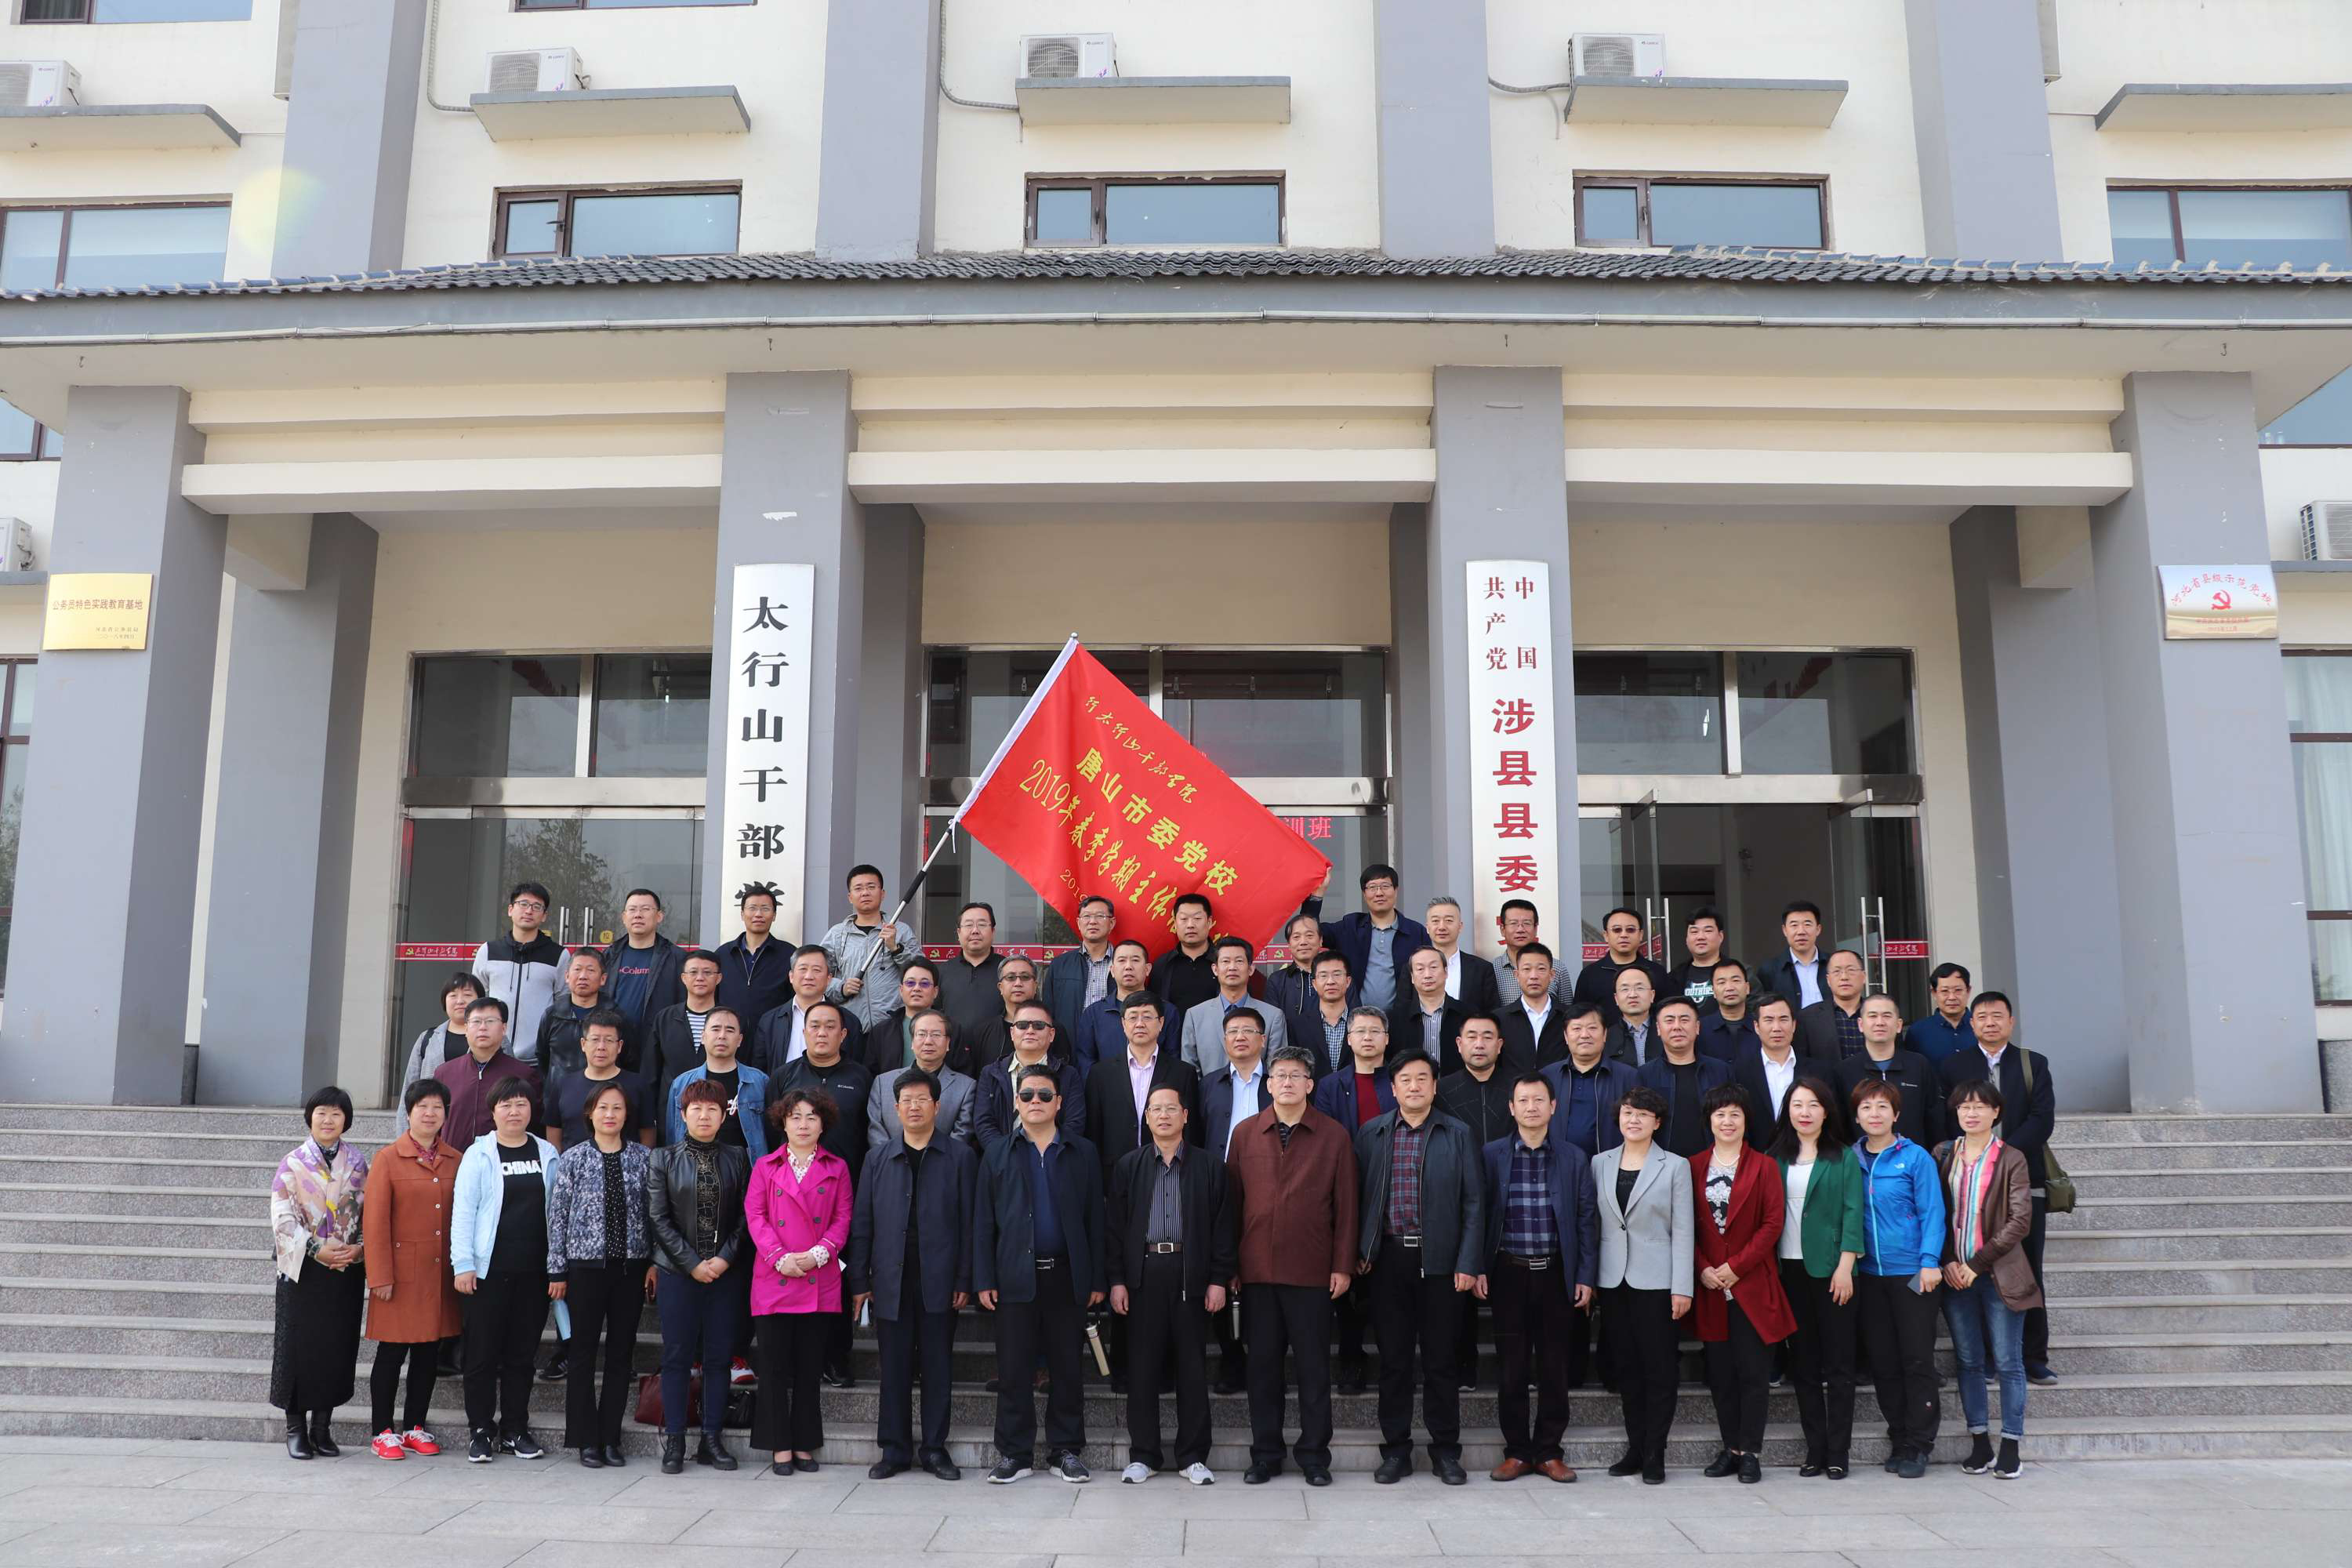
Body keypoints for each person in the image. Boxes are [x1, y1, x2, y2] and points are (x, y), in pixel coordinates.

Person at [1227, 1047, 1357, 1486]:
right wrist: (1230, 1265)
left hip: (1313, 1273)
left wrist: (1342, 1265)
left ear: (1310, 1085)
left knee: (1314, 1368)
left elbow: (1346, 1208)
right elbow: (1233, 1205)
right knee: (1262, 1369)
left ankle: (1314, 1455)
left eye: (1296, 1076)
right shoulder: (1245, 1134)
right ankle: (1265, 1453)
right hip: (1257, 1273)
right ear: (1268, 1084)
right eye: (1279, 1075)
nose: (1286, 1083)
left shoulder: (1334, 1136)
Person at [1352, 1053, 1483, 1485]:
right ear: (1393, 1088)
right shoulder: (1372, 1133)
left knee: (1442, 1362)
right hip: (1388, 1260)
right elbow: (1358, 1198)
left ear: (1433, 1087)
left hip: (1442, 1263)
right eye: (1404, 1080)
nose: (1413, 1087)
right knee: (1394, 1362)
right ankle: (1396, 1451)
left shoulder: (1458, 1133)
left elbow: (1474, 1203)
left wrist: (1467, 1261)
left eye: (1421, 1079)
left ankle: (1446, 1451)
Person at [975, 1063, 1106, 1483]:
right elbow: (983, 1222)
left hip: (1067, 1278)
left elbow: (1094, 1221)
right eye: (1028, 1095)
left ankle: (1065, 1450)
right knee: (1013, 1369)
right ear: (1016, 1102)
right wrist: (984, 1278)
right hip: (1014, 1276)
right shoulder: (997, 1152)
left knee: (1068, 1369)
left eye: (1045, 1095)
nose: (1036, 1102)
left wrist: (1097, 1279)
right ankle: (1014, 1454)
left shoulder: (1082, 1152)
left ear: (1059, 1103)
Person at [848, 1069, 977, 1481]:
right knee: (895, 1368)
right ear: (896, 1107)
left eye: (924, 1099)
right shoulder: (877, 1158)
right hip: (891, 1277)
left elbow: (970, 1223)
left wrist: (964, 1279)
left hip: (940, 1278)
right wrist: (860, 1282)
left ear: (937, 1107)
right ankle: (895, 1450)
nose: (916, 1106)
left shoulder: (959, 1157)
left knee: (938, 1368)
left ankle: (936, 1449)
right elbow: (862, 1223)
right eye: (908, 1100)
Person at [1109, 1083, 1234, 1485]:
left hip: (1190, 1271)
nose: (1163, 1115)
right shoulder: (1130, 1165)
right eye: (1155, 1109)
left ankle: (1192, 1455)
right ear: (1146, 1118)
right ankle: (1143, 1454)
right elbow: (1115, 1230)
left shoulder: (1210, 1166)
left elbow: (1222, 1228)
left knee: (1192, 1368)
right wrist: (1117, 1281)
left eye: (1171, 1109)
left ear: (1185, 1116)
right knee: (1142, 1367)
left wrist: (1218, 1279)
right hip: (1144, 1272)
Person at [1477, 1072, 1598, 1483]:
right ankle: (1517, 1452)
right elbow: (1479, 1216)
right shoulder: (1491, 1155)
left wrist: (1585, 1274)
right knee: (1510, 1368)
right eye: (1523, 1101)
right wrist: (1478, 1266)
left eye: (1538, 1100)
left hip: (1556, 1274)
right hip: (1508, 1273)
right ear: (1511, 1108)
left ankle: (1548, 1451)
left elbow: (1585, 1220)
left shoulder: (1573, 1157)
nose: (1531, 1107)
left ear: (1553, 1107)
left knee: (1554, 1367)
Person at [1939, 991, 2058, 1387]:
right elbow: (1949, 1119)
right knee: (1979, 1267)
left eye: (1998, 1016)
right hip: (1970, 1181)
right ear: (1971, 1024)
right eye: (1982, 1017)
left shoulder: (2032, 1063)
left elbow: (2042, 1120)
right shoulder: (1955, 1064)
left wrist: (2004, 1156)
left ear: (2011, 1021)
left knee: (2027, 1268)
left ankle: (2034, 1356)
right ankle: (1988, 1356)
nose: (1990, 1022)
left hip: (2023, 1179)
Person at [451, 1077, 560, 1463]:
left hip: (534, 1274)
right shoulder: (479, 1155)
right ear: (493, 1111)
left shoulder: (547, 1153)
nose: (514, 1111)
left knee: (521, 1355)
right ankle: (480, 1429)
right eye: (506, 1105)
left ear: (532, 1110)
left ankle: (515, 1428)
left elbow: (557, 1215)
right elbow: (463, 1212)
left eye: (521, 1104)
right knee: (481, 1354)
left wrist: (557, 1268)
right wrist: (463, 1264)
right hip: (487, 1273)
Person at [544, 1080, 653, 1467]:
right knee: (582, 1354)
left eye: (618, 1108)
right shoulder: (572, 1158)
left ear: (627, 1116)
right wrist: (556, 1269)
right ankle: (585, 1439)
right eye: (603, 1108)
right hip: (583, 1270)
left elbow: (653, 1215)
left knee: (621, 1356)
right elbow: (556, 1218)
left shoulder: (642, 1158)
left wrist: (653, 1262)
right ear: (590, 1113)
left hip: (630, 1268)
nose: (610, 1114)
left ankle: (611, 1438)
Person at [768, 1000, 875, 1389]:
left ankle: (836, 1357)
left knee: (839, 1278)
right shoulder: (783, 1075)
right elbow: (771, 1135)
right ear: (804, 1031)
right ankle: (794, 1359)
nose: (822, 1033)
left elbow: (868, 1132)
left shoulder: (861, 1076)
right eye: (815, 1026)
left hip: (844, 1191)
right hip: (791, 1195)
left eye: (831, 1026)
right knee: (794, 1273)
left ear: (844, 1034)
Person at [647, 1079, 752, 1474]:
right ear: (683, 1114)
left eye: (713, 1109)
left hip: (726, 1274)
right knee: (676, 1357)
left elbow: (746, 1217)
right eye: (697, 1109)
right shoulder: (663, 1158)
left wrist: (723, 1259)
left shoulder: (739, 1157)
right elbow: (658, 1219)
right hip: (678, 1273)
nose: (704, 1116)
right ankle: (675, 1441)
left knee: (718, 1357)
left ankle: (712, 1439)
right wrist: (692, 1263)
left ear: (724, 1114)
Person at [747, 1088, 854, 1476]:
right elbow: (755, 1216)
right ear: (783, 1122)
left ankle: (806, 1444)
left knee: (810, 1370)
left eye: (811, 1117)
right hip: (774, 1279)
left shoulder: (837, 1167)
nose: (803, 1124)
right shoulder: (766, 1167)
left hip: (819, 1277)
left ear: (823, 1123)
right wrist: (780, 1258)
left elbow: (843, 1218)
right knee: (774, 1369)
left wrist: (818, 1254)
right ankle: (779, 1447)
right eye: (795, 1116)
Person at [1691, 1083, 1794, 1485]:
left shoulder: (1764, 1166)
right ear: (1709, 1121)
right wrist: (1702, 1268)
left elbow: (1772, 1224)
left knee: (1753, 1374)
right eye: (1720, 1114)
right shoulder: (1694, 1165)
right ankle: (1729, 1447)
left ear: (1746, 1120)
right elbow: (1687, 1227)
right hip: (1710, 1287)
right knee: (1721, 1374)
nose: (1728, 1121)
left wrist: (1736, 1266)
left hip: (1751, 1284)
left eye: (1735, 1114)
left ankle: (1750, 1450)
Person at [1936, 1079, 2039, 1479]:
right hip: (1954, 1273)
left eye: (1981, 1106)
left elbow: (2019, 1222)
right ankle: (1980, 1442)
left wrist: (1975, 1264)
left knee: (2009, 1361)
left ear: (1996, 1113)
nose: (1972, 1112)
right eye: (1964, 1106)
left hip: (1995, 1273)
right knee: (1968, 1361)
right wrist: (1946, 1261)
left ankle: (2011, 1443)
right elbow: (1934, 1213)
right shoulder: (1943, 1153)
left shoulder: (2011, 1157)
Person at [1592, 1088, 1693, 1486]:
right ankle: (1635, 1447)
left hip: (1658, 1281)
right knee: (1627, 1369)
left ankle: (1656, 1451)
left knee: (1659, 1369)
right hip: (1613, 1280)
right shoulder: (1600, 1163)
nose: (1633, 1120)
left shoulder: (1674, 1166)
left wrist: (1682, 1287)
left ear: (1658, 1122)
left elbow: (1684, 1230)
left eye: (1643, 1114)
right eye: (1628, 1113)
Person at [361, 1080, 463, 1461]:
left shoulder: (456, 1158)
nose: (430, 1113)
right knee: (392, 1353)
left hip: (439, 1275)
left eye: (437, 1107)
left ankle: (415, 1426)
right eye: (422, 1107)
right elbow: (374, 1223)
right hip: (400, 1275)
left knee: (428, 1354)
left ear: (446, 1115)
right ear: (408, 1112)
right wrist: (380, 1276)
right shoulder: (389, 1158)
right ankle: (383, 1431)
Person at [1849, 1077, 1946, 1479]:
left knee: (1917, 1360)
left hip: (1911, 1273)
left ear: (1896, 1114)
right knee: (1884, 1363)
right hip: (1869, 1274)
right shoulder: (1849, 1158)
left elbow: (1934, 1212)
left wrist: (1929, 1261)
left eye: (1882, 1107)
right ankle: (1900, 1436)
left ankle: (1920, 1444)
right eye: (1867, 1108)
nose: (1875, 1114)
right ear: (1856, 1116)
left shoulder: (1915, 1157)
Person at [1769, 1076, 1865, 1479]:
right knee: (1804, 1365)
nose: (1804, 1113)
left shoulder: (1841, 1157)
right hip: (1787, 1271)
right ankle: (1815, 1449)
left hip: (1831, 1271)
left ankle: (1839, 1452)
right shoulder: (1773, 1157)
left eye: (1812, 1105)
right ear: (1787, 1112)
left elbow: (1852, 1212)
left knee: (1840, 1365)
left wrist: (1846, 1267)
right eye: (1796, 1105)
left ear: (1826, 1111)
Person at [270, 1085, 369, 1461]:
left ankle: (322, 1428)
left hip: (344, 1267)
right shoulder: (292, 1163)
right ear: (310, 1117)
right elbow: (282, 1217)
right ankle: (295, 1428)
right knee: (297, 1349)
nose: (328, 1120)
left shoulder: (359, 1164)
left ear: (346, 1120)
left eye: (336, 1114)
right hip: (303, 1270)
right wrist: (316, 1249)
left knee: (335, 1348)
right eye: (322, 1113)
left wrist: (357, 1249)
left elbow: (367, 1214)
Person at [1199, 1007, 1272, 1396]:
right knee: (1220, 1271)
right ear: (1223, 1042)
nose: (1240, 1037)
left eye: (1249, 1031)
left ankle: (1262, 1358)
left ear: (1263, 1039)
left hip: (1267, 1191)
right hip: (1218, 1189)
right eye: (1232, 1032)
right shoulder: (1208, 1085)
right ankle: (1231, 1358)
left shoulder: (1277, 1082)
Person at [1085, 992, 1203, 1187]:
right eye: (1133, 1017)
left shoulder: (1183, 1073)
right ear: (1123, 1024)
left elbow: (1191, 1130)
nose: (1140, 1023)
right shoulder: (1100, 1073)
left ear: (1161, 1023)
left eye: (1148, 1017)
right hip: (1115, 1177)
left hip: (1170, 1174)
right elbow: (1094, 1131)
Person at [1305, 862, 1432, 1013]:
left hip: (1403, 1021)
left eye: (1385, 886)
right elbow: (1309, 931)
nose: (1379, 893)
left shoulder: (1416, 933)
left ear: (1396, 890)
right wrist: (1317, 894)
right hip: (1355, 1021)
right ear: (1364, 894)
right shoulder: (1350, 927)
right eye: (1372, 888)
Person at [1835, 993, 1947, 1150]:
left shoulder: (1919, 1065)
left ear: (1899, 1025)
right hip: (1861, 1166)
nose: (1880, 1022)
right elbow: (1840, 1125)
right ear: (1860, 1024)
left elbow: (1934, 1120)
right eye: (1872, 1016)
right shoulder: (1845, 1071)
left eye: (1887, 1016)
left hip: (1912, 1165)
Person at [472, 882, 567, 1065]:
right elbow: (477, 1000)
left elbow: (563, 1003)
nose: (529, 911)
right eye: (523, 904)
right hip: (492, 1056)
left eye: (536, 906)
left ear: (544, 915)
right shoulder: (489, 951)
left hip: (539, 1060)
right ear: (510, 909)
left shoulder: (558, 955)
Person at [973, 1000, 1087, 1151]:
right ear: (1012, 1033)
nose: (1030, 1031)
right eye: (1022, 1025)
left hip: (1054, 1161)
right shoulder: (991, 1073)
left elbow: (1075, 1123)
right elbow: (984, 1123)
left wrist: (1047, 1156)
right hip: (1003, 1164)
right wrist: (1004, 1156)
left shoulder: (1068, 1075)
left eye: (1039, 1026)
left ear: (1051, 1034)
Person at [437, 996, 543, 1149]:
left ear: (504, 1028)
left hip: (503, 1163)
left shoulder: (524, 1074)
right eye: (476, 1021)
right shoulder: (445, 1073)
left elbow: (535, 1127)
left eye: (490, 1021)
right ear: (466, 1029)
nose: (482, 1027)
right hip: (453, 1163)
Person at [665, 1008, 771, 1158]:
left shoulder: (760, 1082)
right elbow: (672, 1136)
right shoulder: (682, 1084)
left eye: (730, 1030)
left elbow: (771, 1134)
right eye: (715, 1029)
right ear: (703, 1037)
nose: (722, 1036)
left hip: (749, 1173)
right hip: (696, 1173)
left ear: (740, 1040)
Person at [1635, 998, 1734, 1159]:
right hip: (1662, 1167)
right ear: (1659, 1029)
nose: (1677, 1027)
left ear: (1697, 1027)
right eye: (1669, 1020)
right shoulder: (1645, 1075)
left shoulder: (1721, 1071)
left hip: (1713, 1164)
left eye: (1684, 1020)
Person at [822, 866, 917, 1030]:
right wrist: (841, 988)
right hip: (850, 1026)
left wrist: (896, 949)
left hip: (892, 1026)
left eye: (871, 887)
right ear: (850, 897)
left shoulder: (900, 930)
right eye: (858, 888)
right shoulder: (836, 934)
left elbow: (919, 972)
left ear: (882, 893)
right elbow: (821, 977)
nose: (865, 893)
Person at [1179, 935, 1290, 1075]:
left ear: (1250, 969)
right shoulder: (1195, 1016)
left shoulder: (1273, 1016)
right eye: (1225, 961)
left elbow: (1276, 1069)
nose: (1232, 967)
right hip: (1210, 1096)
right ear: (1215, 969)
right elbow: (1190, 1070)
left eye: (1239, 961)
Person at [750, 945, 867, 1076]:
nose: (809, 976)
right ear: (791, 976)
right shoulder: (770, 1022)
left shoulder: (848, 1021)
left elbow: (856, 1071)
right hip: (783, 1094)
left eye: (817, 970)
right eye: (803, 969)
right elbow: (759, 1073)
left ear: (829, 979)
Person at [543, 1009, 652, 1149]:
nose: (601, 1047)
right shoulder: (563, 1084)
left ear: (619, 1046)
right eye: (595, 1040)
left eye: (609, 1040)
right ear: (583, 1044)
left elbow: (648, 1134)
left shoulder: (638, 1085)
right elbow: (554, 1132)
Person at [868, 1009, 976, 1148]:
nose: (928, 1041)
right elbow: (876, 1130)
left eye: (936, 1035)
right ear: (912, 1042)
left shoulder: (966, 1087)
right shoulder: (883, 1083)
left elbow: (962, 1134)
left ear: (948, 1043)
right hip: (890, 1165)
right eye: (922, 1034)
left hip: (944, 1166)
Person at [1541, 1003, 1636, 1161]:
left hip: (1612, 1167)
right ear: (1566, 1036)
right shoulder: (1547, 1077)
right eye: (1577, 1029)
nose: (1584, 1035)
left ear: (1605, 1034)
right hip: (1558, 1166)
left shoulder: (1628, 1077)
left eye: (1592, 1028)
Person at [603, 888, 687, 1065]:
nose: (638, 915)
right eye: (632, 910)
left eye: (646, 909)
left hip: (658, 1047)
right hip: (613, 1048)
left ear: (659, 916)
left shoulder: (677, 958)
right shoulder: (609, 956)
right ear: (624, 917)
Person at [1076, 938, 1174, 1078]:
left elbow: (1173, 1058)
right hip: (1107, 1094)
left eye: (1135, 960)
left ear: (1147, 969)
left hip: (1155, 1095)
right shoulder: (1094, 1014)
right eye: (1122, 960)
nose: (1128, 966)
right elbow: (1086, 1062)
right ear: (1112, 970)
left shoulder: (1166, 1011)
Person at [865, 961, 975, 1080]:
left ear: (935, 992)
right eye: (910, 983)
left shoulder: (952, 1029)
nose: (916, 988)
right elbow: (870, 1075)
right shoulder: (882, 1031)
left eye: (924, 984)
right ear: (901, 990)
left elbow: (963, 1076)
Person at [647, 950, 725, 1114]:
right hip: (672, 1109)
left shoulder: (729, 1020)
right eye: (693, 972)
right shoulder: (665, 1018)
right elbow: (651, 1073)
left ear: (718, 978)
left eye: (707, 972)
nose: (700, 978)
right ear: (683, 978)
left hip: (716, 1110)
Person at [1571, 907, 1668, 1029]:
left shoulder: (1657, 972)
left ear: (1641, 935)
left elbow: (1668, 1014)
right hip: (1605, 1046)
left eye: (1630, 930)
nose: (1624, 935)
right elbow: (1579, 1018)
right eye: (1617, 930)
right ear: (1606, 935)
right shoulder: (1589, 975)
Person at [1042, 893, 1118, 1048]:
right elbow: (1048, 1013)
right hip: (1069, 1046)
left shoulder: (1124, 963)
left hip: (1113, 1045)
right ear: (1078, 923)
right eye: (1087, 916)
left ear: (1112, 923)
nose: (1092, 922)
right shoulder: (1059, 965)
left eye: (1100, 916)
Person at [717, 882, 794, 1030]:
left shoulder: (789, 954)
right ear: (742, 914)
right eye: (752, 908)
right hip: (729, 1037)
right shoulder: (724, 954)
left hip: (773, 1036)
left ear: (774, 915)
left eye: (765, 909)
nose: (758, 914)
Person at [1733, 995, 1805, 1151]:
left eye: (1783, 1019)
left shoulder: (1819, 1072)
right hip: (1757, 1160)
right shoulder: (1738, 1072)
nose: (1777, 1027)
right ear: (1757, 1027)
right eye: (1769, 1020)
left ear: (1794, 1025)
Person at [1389, 945, 1473, 1076]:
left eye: (1434, 967)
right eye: (1420, 969)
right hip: (1412, 1093)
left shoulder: (1468, 1015)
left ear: (1446, 972)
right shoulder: (1395, 1019)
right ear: (1412, 977)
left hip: (1456, 1092)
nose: (1427, 975)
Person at [535, 948, 612, 1087]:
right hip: (559, 1097)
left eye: (590, 970)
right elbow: (543, 1057)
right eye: (577, 969)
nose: (583, 976)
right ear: (567, 977)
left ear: (603, 979)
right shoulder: (552, 1015)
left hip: (602, 1098)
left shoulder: (615, 1017)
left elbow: (627, 1060)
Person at [1437, 1013, 1516, 1149]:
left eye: (1487, 1037)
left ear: (1499, 1045)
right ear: (1459, 1044)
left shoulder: (1517, 1088)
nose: (1479, 1045)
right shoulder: (1441, 1091)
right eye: (1472, 1037)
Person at [936, 901, 1007, 1044]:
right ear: (958, 932)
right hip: (952, 1053)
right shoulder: (942, 971)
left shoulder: (1008, 970)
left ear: (993, 931)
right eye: (968, 925)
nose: (975, 931)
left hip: (998, 1054)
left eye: (982, 925)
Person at [402, 971, 485, 1091]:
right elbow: (410, 1083)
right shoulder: (427, 1038)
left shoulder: (495, 1036)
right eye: (453, 995)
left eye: (467, 995)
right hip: (433, 1109)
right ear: (444, 1001)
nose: (460, 1001)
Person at [1422, 895, 1501, 1016]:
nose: (1442, 927)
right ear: (1427, 928)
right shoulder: (1413, 968)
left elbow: (1492, 1014)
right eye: (1435, 921)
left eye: (1449, 920)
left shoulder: (1483, 969)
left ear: (1460, 926)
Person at [964, 954, 1043, 1071]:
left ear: (1035, 986)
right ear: (1000, 987)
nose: (1018, 983)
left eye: (1025, 977)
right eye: (1011, 978)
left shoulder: (1050, 1029)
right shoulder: (983, 1033)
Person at [1286, 950, 1356, 1078]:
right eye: (1323, 976)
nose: (1330, 981)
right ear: (1314, 984)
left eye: (1337, 974)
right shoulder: (1297, 1026)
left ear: (1348, 981)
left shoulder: (1362, 1023)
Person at [1497, 943, 1567, 1070]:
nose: (1533, 976)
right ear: (1516, 975)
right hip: (1515, 1089)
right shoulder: (1500, 1019)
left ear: (1552, 975)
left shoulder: (1568, 1017)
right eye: (1527, 969)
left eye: (1541, 969)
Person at [1262, 909, 1341, 1022]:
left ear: (1320, 940)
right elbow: (1271, 1024)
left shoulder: (1339, 977)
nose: (1303, 942)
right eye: (1296, 937)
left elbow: (1353, 1020)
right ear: (1289, 945)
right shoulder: (1276, 981)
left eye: (1309, 935)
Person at [1150, 893, 1222, 1016]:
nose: (1190, 925)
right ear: (1175, 923)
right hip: (1174, 1035)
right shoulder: (1162, 965)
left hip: (1217, 1034)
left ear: (1209, 922)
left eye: (1197, 919)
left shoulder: (1223, 962)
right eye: (1184, 919)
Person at [1755, 900, 1830, 1014]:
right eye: (1794, 925)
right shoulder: (1770, 970)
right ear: (1785, 930)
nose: (1801, 931)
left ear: (1818, 929)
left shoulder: (1834, 965)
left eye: (1807, 924)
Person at [1796, 949, 1869, 1062]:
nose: (1844, 977)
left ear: (1864, 976)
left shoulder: (1879, 1014)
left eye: (1851, 970)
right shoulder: (1807, 1018)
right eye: (1837, 971)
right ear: (1828, 980)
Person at [1491, 898, 1567, 1006]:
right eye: (1513, 923)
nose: (1520, 929)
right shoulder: (1492, 969)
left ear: (1535, 928)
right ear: (1503, 929)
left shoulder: (1557, 968)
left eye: (1527, 923)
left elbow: (1568, 1013)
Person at [1904, 962, 1977, 1065]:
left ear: (1968, 991)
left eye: (1958, 990)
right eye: (1945, 991)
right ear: (1934, 993)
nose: (1952, 997)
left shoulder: (1982, 1026)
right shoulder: (1917, 1031)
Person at [1664, 907, 1729, 1014]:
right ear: (1687, 939)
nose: (1700, 937)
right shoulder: (1674, 977)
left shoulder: (1740, 972)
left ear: (1720, 936)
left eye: (1708, 931)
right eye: (1694, 932)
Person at [1698, 960, 1759, 1062]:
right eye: (1722, 982)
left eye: (1735, 981)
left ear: (1747, 988)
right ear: (1713, 991)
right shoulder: (1699, 1029)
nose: (1729, 988)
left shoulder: (1761, 1027)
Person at [1603, 967, 1660, 1069]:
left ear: (1652, 995)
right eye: (1625, 989)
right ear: (1616, 998)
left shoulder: (1667, 1031)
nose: (1633, 995)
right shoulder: (1605, 1037)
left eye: (1640, 988)